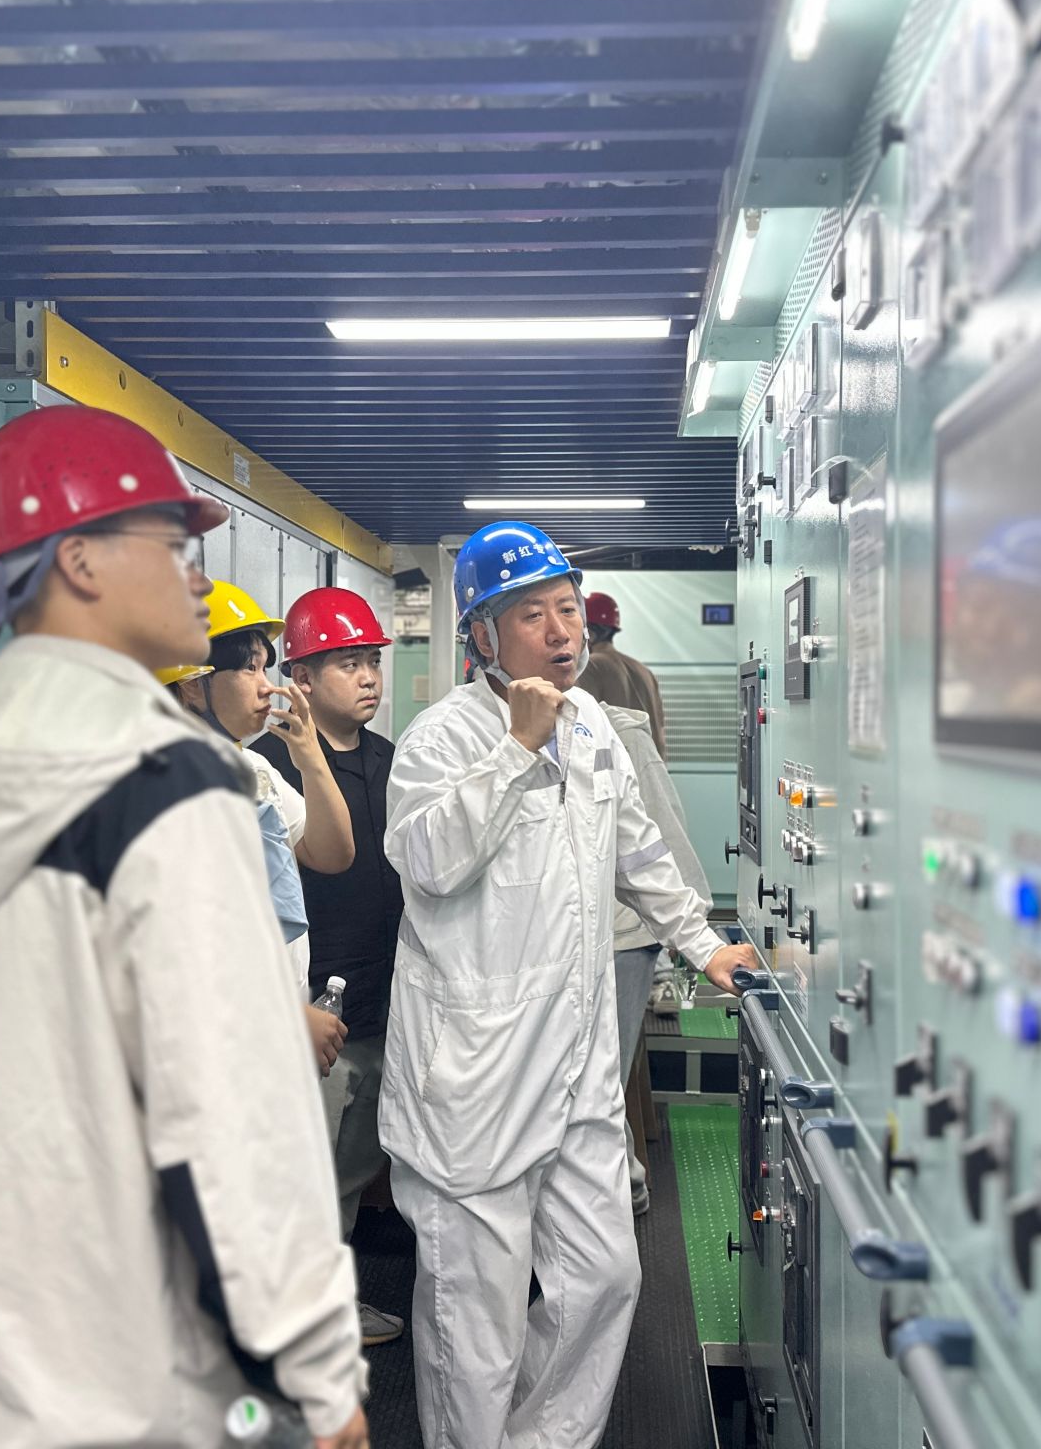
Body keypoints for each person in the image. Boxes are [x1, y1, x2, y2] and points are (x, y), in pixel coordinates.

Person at [0, 405, 368, 1449]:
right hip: (150, 1374)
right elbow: (229, 1105)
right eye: (173, 544)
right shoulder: (166, 782)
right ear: (78, 561)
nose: (200, 577)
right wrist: (315, 1366)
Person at [379, 521, 760, 1449]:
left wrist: (702, 943)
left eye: (566, 609)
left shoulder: (591, 725)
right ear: (481, 635)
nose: (561, 631)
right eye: (532, 615)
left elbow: (640, 851)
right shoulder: (440, 739)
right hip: (474, 1081)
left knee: (605, 1280)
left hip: (578, 1066)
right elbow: (427, 863)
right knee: (475, 1326)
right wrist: (517, 749)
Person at [250, 588, 406, 1349]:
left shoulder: (391, 761)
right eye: (348, 663)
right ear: (301, 680)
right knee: (296, 1174)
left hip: (384, 1002)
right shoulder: (269, 766)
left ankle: (327, 1309)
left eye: (371, 660)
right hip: (311, 1007)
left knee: (349, 1168)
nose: (369, 676)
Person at [164, 583, 355, 1075]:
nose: (267, 685)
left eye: (265, 668)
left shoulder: (250, 769)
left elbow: (332, 853)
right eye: (250, 668)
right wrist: (284, 1017)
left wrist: (310, 758)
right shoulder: (167, 783)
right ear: (193, 683)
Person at [605, 703, 713, 1217]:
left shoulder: (618, 731)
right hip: (565, 939)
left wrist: (693, 937)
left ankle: (626, 1192)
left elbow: (660, 837)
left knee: (600, 1081)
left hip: (623, 935)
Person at [578, 591, 667, 757]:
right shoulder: (644, 671)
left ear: (589, 632)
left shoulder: (590, 666)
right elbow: (660, 731)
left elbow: (583, 732)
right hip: (651, 768)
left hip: (615, 770)